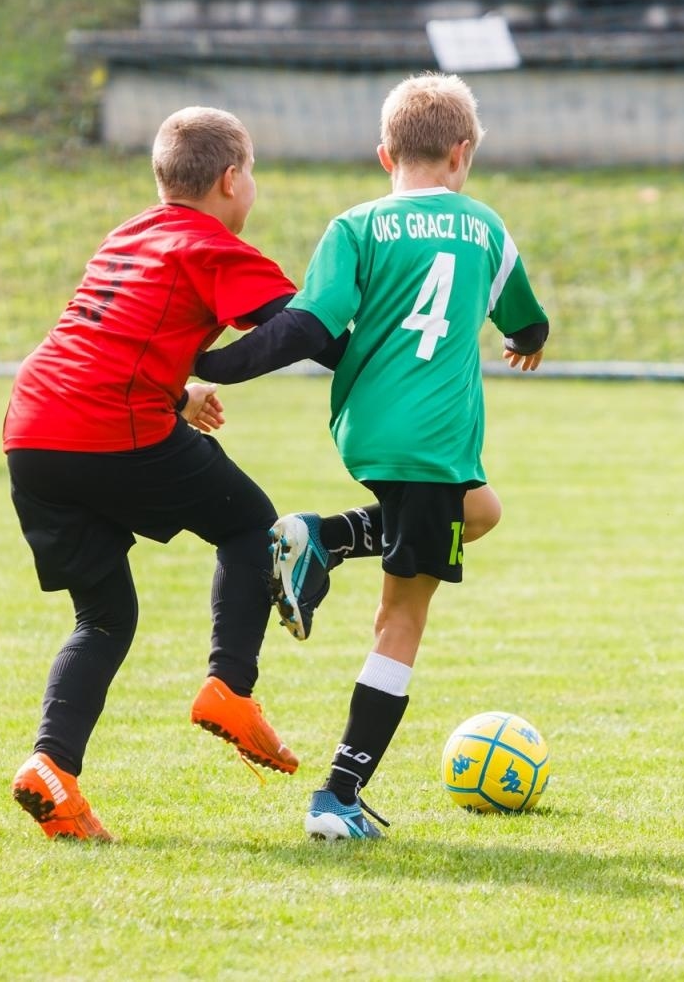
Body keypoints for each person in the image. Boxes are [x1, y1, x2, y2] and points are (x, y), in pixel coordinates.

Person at [192, 73, 550, 840]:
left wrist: (214, 365)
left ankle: (323, 536)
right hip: (431, 445)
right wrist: (528, 340)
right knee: (400, 622)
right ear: (463, 154)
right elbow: (526, 318)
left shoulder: (354, 227)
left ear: (384, 153)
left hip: (367, 430)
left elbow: (309, 327)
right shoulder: (488, 229)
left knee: (480, 510)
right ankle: (339, 797)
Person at [4, 106, 345, 842]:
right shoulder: (211, 244)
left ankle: (51, 769)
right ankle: (230, 688)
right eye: (250, 174)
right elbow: (296, 326)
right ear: (230, 179)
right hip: (105, 424)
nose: (251, 187)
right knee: (251, 526)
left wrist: (179, 387)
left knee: (103, 617)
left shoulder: (129, 233)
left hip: (33, 427)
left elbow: (108, 329)